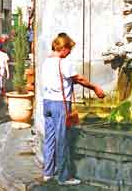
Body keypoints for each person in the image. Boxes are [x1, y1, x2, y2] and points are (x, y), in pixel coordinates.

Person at [42, 33, 105, 185]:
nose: (70, 52)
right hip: (59, 105)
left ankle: (48, 172)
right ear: (62, 48)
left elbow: (61, 80)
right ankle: (64, 177)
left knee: (49, 139)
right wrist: (95, 87)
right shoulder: (64, 63)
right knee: (62, 140)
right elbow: (79, 79)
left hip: (47, 102)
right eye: (69, 49)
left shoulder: (46, 62)